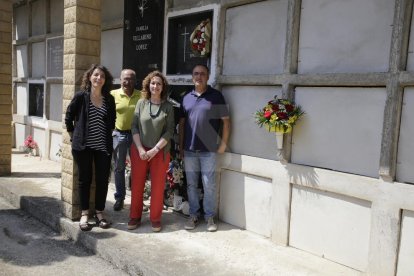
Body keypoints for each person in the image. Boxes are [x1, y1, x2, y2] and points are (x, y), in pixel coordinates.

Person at [179, 64, 230, 232]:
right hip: (189, 149)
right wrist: (180, 147)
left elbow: (226, 121)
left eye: (202, 74)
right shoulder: (186, 97)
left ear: (208, 77)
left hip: (209, 150)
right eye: (195, 73)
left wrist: (223, 144)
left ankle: (209, 217)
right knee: (191, 185)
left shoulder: (216, 96)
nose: (199, 76)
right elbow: (182, 124)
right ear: (192, 76)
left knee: (209, 185)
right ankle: (194, 215)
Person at [65, 64, 116, 231]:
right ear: (89, 77)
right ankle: (85, 213)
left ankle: (100, 212)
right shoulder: (81, 96)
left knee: (102, 180)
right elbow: (69, 116)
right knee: (84, 179)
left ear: (105, 80)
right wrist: (73, 135)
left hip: (102, 146)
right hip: (83, 147)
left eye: (102, 76)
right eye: (96, 75)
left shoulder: (109, 99)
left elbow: (112, 121)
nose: (98, 78)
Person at [128, 71, 174, 232]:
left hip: (160, 151)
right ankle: (135, 216)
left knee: (158, 186)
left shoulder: (168, 107)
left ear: (163, 87)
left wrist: (154, 150)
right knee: (137, 184)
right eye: (153, 83)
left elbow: (169, 132)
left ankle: (155, 218)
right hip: (139, 150)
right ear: (148, 85)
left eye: (159, 84)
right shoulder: (141, 103)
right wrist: (140, 148)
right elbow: (134, 126)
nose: (155, 86)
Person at [111, 69, 141, 211]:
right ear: (120, 79)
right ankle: (120, 198)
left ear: (135, 81)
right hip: (119, 135)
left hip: (137, 136)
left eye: (130, 79)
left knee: (138, 168)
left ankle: (137, 199)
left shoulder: (141, 96)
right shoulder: (113, 94)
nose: (127, 82)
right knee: (119, 168)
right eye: (125, 79)